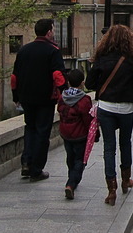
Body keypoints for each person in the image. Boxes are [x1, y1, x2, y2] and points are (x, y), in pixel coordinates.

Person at [86, 25, 133, 206]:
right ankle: (126, 180)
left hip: (106, 107)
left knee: (109, 148)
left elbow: (89, 83)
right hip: (126, 108)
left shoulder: (101, 58)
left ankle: (111, 189)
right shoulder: (132, 59)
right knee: (125, 143)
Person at [11, 18, 66, 182]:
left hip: (26, 98)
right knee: (43, 132)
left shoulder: (24, 50)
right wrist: (65, 95)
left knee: (30, 128)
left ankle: (26, 162)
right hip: (45, 99)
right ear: (49, 32)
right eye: (53, 30)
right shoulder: (53, 51)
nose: (54, 32)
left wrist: (16, 97)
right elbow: (58, 76)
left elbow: (14, 77)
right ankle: (36, 169)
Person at [57, 68, 93, 200]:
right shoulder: (84, 100)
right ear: (82, 83)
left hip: (66, 133)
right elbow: (88, 119)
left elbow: (60, 112)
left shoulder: (62, 97)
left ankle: (71, 178)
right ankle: (71, 184)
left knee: (70, 157)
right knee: (80, 160)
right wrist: (95, 135)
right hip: (80, 135)